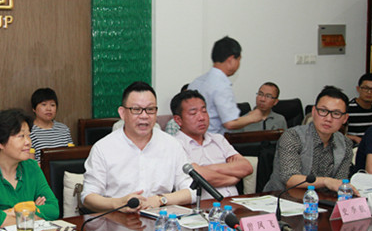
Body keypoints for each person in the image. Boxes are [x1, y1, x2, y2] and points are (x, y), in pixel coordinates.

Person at [82, 81, 194, 212]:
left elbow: (191, 191)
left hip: (160, 218)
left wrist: (160, 200)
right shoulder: (103, 148)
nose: (144, 116)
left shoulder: (172, 145)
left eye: (150, 109)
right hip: (117, 218)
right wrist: (117, 203)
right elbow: (88, 197)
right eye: (136, 110)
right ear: (122, 113)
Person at [0, 109, 59, 231]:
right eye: (21, 136)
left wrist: (9, 212)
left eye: (28, 135)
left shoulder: (32, 167)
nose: (28, 142)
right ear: (0, 143)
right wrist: (33, 209)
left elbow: (53, 209)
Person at [264, 86, 354, 192]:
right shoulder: (292, 136)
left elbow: (339, 182)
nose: (328, 119)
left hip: (324, 200)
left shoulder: (346, 144)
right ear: (314, 111)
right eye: (323, 111)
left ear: (345, 118)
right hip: (282, 197)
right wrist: (326, 181)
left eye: (336, 114)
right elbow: (289, 178)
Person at [172, 90, 252, 198]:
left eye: (204, 111)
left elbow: (246, 167)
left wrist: (207, 169)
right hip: (204, 206)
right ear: (178, 120)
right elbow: (199, 177)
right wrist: (233, 178)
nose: (202, 118)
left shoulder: (218, 139)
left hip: (235, 202)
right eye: (193, 113)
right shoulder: (175, 145)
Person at [188, 36, 263, 134]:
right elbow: (230, 123)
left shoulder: (197, 81)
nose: (239, 64)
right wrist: (253, 117)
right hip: (211, 139)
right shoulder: (221, 85)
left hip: (191, 138)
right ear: (231, 59)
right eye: (238, 60)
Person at [29, 87, 73, 162]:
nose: (49, 109)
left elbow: (72, 155)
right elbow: (30, 163)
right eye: (44, 105)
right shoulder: (29, 131)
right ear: (34, 108)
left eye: (52, 105)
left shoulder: (64, 129)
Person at [346, 73, 372, 144]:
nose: (369, 92)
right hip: (353, 146)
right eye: (365, 88)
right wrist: (354, 138)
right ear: (358, 89)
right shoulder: (348, 108)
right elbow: (336, 134)